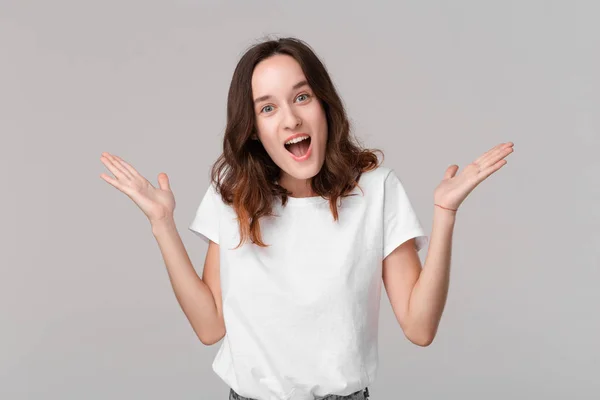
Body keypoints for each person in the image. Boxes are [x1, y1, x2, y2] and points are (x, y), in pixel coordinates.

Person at [99, 37, 514, 400]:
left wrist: (445, 213)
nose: (291, 119)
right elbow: (209, 327)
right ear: (254, 130)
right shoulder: (233, 195)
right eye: (267, 108)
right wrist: (161, 224)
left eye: (302, 97)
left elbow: (420, 328)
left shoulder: (376, 191)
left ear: (324, 104)